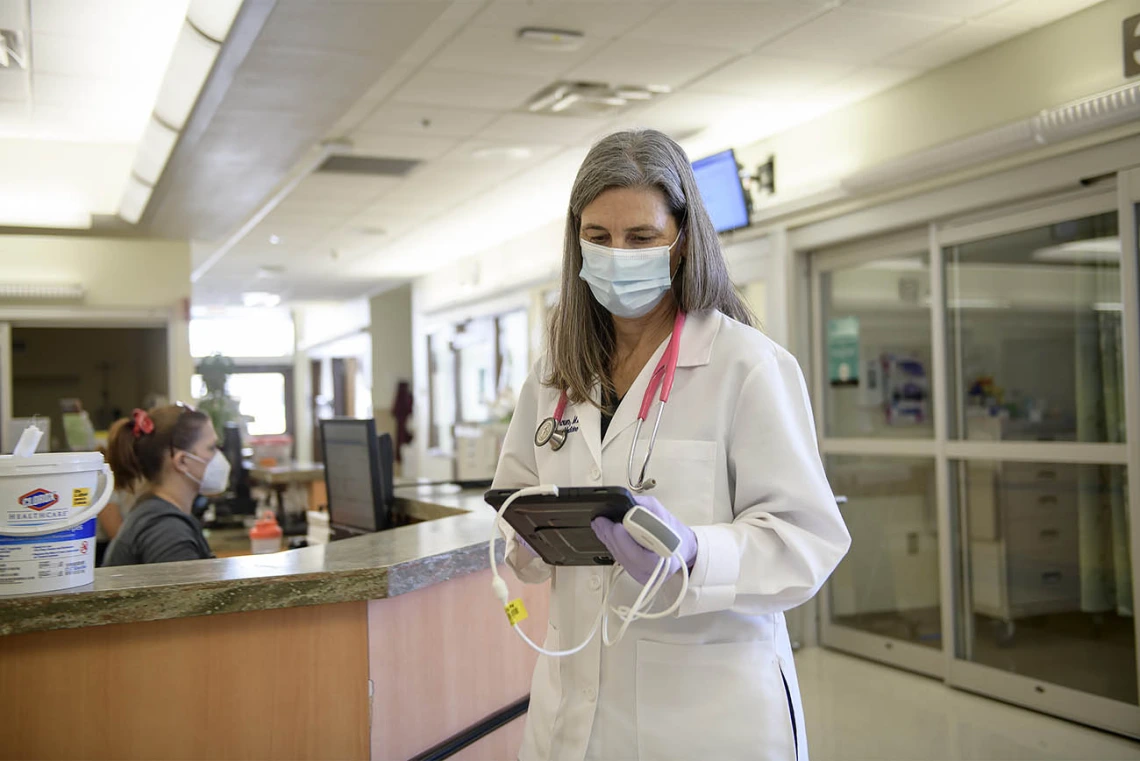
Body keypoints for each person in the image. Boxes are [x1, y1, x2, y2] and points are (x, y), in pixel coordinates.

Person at [492, 129, 851, 761]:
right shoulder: (556, 371)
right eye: (598, 238)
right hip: (573, 710)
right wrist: (523, 538)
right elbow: (517, 500)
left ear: (682, 242)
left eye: (640, 238)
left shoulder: (748, 366)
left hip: (707, 714)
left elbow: (807, 541)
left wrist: (694, 552)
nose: (616, 254)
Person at [103, 405, 228, 566]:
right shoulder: (166, 529)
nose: (219, 455)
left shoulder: (159, 512)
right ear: (182, 461)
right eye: (211, 447)